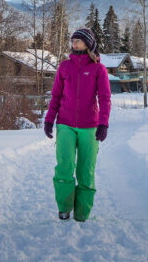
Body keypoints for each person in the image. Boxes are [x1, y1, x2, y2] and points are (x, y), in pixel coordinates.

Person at [43, 27, 111, 222]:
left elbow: (105, 98)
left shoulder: (98, 69)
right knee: (64, 167)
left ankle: (82, 212)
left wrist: (103, 124)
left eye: (78, 40)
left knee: (85, 169)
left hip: (90, 126)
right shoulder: (64, 67)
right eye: (73, 40)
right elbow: (55, 95)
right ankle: (64, 207)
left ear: (88, 44)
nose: (74, 43)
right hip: (65, 124)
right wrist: (49, 119)